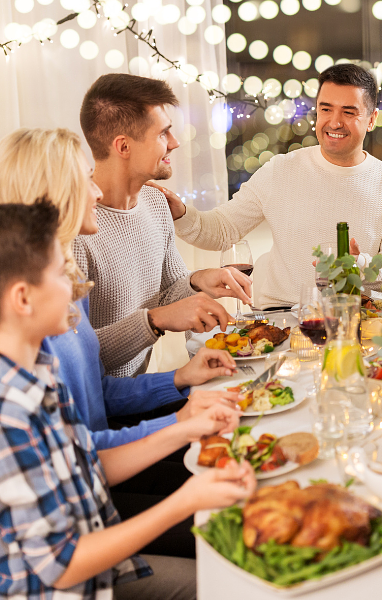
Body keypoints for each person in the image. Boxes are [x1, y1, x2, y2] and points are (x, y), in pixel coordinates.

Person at [0, 200, 256, 600]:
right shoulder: (10, 409)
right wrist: (185, 501)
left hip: (97, 539)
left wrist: (186, 425)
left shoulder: (36, 374)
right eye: (60, 275)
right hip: (74, 585)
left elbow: (88, 457)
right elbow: (62, 567)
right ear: (22, 299)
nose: (75, 287)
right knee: (231, 582)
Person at [0, 128, 240, 451]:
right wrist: (180, 422)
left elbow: (100, 393)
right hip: (100, 463)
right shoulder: (37, 306)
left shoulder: (66, 280)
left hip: (104, 450)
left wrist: (181, 377)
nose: (97, 192)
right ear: (54, 194)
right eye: (86, 180)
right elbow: (82, 450)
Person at [162, 63, 382, 308]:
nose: (334, 122)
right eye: (326, 109)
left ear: (372, 119)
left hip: (355, 318)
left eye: (349, 112)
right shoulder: (281, 169)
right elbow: (222, 230)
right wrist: (181, 214)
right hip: (280, 316)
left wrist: (357, 264)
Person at [77, 73, 253, 377]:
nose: (175, 143)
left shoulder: (156, 204)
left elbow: (168, 293)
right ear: (123, 146)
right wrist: (154, 320)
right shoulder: (77, 227)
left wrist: (199, 280)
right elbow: (76, 357)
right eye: (163, 134)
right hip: (101, 406)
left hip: (140, 390)